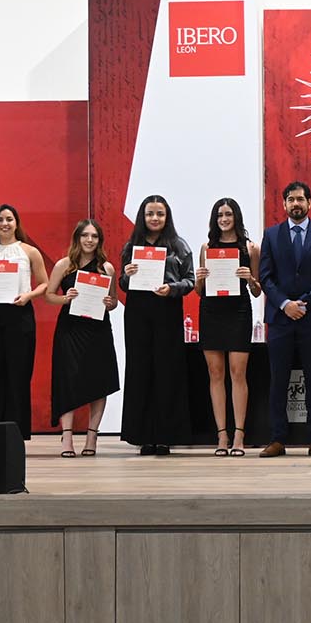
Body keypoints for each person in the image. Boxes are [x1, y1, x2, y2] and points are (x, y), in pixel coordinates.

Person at [258, 181, 311, 458]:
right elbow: (265, 276)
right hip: (280, 319)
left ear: (309, 202)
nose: (296, 204)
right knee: (278, 380)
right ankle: (278, 439)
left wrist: (304, 303)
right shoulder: (271, 235)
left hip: (310, 318)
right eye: (290, 199)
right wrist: (285, 304)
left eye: (300, 199)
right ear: (284, 204)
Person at [119, 194, 195, 455]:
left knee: (167, 370)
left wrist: (171, 288)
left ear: (167, 216)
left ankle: (166, 436)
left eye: (159, 214)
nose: (154, 218)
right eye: (150, 213)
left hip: (167, 309)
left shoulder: (179, 245)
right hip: (138, 312)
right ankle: (143, 436)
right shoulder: (131, 246)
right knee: (140, 370)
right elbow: (122, 284)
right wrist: (127, 275)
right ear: (143, 216)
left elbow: (190, 280)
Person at [0, 204, 49, 440]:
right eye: (0, 220)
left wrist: (28, 296)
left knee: (19, 375)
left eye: (9, 219)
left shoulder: (29, 251)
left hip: (19, 316)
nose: (4, 224)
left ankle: (19, 432)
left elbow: (44, 284)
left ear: (16, 223)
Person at [194, 198, 261, 457]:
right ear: (215, 219)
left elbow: (257, 291)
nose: (224, 219)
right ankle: (222, 435)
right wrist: (199, 279)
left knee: (238, 372)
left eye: (228, 214)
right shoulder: (206, 247)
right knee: (215, 373)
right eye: (220, 215)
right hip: (211, 312)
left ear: (236, 217)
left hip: (239, 312)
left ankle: (239, 435)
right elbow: (199, 291)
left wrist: (250, 279)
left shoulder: (250, 248)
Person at [46, 219, 119, 456]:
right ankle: (67, 438)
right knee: (67, 381)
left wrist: (109, 303)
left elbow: (114, 302)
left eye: (94, 236)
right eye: (85, 235)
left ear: (100, 240)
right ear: (77, 238)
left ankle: (91, 437)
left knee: (99, 381)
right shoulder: (64, 265)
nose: (89, 240)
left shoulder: (106, 268)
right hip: (70, 329)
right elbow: (49, 295)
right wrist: (65, 298)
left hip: (98, 330)